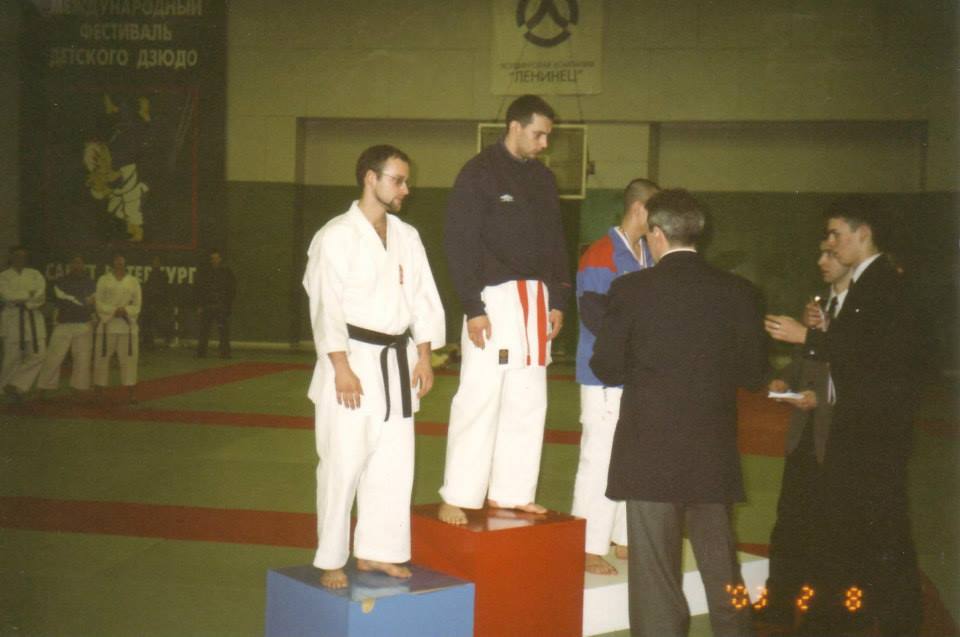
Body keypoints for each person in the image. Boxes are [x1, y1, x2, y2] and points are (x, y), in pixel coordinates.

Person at [591, 189, 766, 637]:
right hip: (711, 450)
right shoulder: (739, 292)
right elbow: (753, 373)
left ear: (656, 234)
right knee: (722, 567)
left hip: (649, 450)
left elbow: (605, 366)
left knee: (655, 579)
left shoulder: (631, 290)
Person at [763, 197, 921, 636]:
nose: (829, 244)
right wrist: (823, 331)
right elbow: (863, 349)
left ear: (862, 233)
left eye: (835, 235)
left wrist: (809, 337)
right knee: (868, 528)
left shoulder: (882, 282)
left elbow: (874, 354)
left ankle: (876, 619)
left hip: (872, 431)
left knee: (878, 528)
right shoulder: (872, 282)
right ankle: (865, 617)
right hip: (866, 428)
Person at [302, 144, 444, 590]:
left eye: (405, 181)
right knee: (342, 463)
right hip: (353, 360)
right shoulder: (335, 236)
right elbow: (325, 306)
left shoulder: (407, 235)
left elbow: (423, 297)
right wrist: (340, 366)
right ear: (370, 178)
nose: (406, 189)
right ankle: (331, 557)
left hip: (397, 362)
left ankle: (377, 551)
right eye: (398, 180)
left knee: (394, 463)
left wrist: (424, 356)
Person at [438, 94, 571, 525]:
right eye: (539, 134)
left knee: (528, 399)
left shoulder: (543, 180)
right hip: (492, 299)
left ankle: (512, 492)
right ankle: (457, 493)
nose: (544, 144)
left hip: (536, 299)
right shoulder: (478, 173)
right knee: (479, 397)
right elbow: (458, 242)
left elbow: (556, 243)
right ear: (515, 126)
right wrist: (471, 306)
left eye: (547, 136)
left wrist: (558, 300)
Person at [756, 241, 851, 628]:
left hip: (835, 438)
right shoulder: (821, 306)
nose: (821, 261)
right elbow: (806, 361)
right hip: (804, 437)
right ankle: (778, 603)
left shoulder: (861, 315)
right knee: (789, 522)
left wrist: (822, 399)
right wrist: (786, 380)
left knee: (828, 527)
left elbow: (860, 377)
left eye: (831, 255)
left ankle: (823, 613)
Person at [572, 178, 658, 575]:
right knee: (600, 459)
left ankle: (624, 537)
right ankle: (587, 546)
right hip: (604, 376)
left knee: (634, 456)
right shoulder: (601, 254)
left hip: (639, 375)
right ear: (639, 209)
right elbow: (595, 316)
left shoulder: (649, 255)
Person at [37, 255, 97, 397]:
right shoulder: (61, 282)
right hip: (64, 323)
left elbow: (92, 301)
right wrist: (83, 301)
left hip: (84, 323)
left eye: (79, 263)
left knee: (83, 358)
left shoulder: (90, 283)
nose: (77, 266)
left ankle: (79, 387)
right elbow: (65, 298)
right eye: (74, 263)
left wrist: (85, 304)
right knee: (53, 357)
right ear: (70, 265)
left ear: (83, 265)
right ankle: (44, 387)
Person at [94, 252, 142, 404]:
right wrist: (113, 310)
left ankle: (131, 393)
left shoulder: (133, 281)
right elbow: (98, 302)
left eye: (122, 260)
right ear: (112, 262)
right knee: (101, 359)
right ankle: (99, 392)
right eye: (117, 260)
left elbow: (137, 304)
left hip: (127, 326)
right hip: (107, 325)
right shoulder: (103, 279)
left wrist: (125, 310)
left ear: (125, 263)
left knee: (129, 360)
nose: (119, 263)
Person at [0, 245, 47, 401]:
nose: (20, 258)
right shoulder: (3, 276)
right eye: (17, 255)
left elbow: (41, 296)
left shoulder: (35, 274)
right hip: (13, 320)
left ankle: (16, 385)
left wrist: (26, 301)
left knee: (39, 355)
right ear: (11, 257)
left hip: (33, 318)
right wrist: (29, 295)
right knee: (11, 358)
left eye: (23, 256)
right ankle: (4, 389)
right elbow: (7, 296)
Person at [195, 249, 236, 359]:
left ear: (220, 259)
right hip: (208, 305)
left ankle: (225, 352)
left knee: (223, 331)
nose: (214, 260)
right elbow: (200, 289)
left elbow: (231, 289)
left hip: (221, 305)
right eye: (212, 258)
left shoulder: (227, 272)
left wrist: (227, 304)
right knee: (204, 330)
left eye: (216, 258)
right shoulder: (206, 272)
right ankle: (201, 352)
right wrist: (200, 305)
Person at [140, 255, 173, 350]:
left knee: (162, 324)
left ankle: (168, 341)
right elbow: (147, 289)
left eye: (157, 262)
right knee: (147, 323)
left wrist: (163, 303)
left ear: (160, 264)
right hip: (150, 304)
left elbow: (165, 290)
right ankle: (148, 342)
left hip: (160, 304)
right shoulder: (150, 274)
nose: (155, 264)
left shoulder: (163, 275)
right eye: (154, 262)